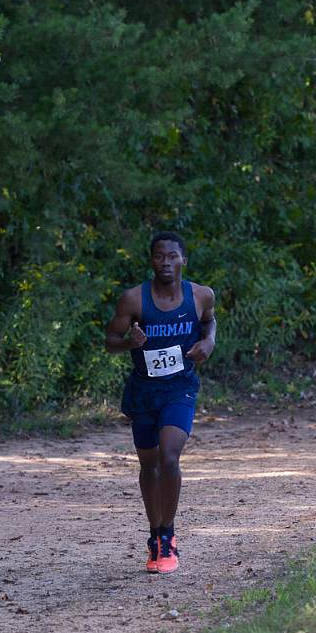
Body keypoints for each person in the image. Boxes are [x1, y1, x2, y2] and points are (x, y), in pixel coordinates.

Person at [104, 231, 216, 574]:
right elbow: (110, 340)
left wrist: (208, 343)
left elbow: (210, 323)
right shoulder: (133, 300)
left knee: (169, 456)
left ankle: (168, 536)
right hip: (144, 392)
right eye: (159, 256)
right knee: (149, 465)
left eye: (172, 256)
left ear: (183, 260)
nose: (165, 262)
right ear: (151, 261)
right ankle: (154, 536)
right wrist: (130, 343)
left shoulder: (200, 296)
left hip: (180, 388)